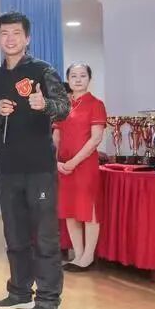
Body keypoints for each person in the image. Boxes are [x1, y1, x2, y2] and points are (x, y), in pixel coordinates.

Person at [0, 12, 70, 309]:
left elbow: (64, 108)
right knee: (14, 235)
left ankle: (48, 299)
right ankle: (20, 292)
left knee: (45, 236)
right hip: (7, 167)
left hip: (39, 168)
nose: (10, 39)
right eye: (4, 34)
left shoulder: (42, 70)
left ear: (27, 38)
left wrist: (44, 105)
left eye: (16, 33)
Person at [53, 63, 106, 272]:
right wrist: (55, 161)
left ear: (89, 79)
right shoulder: (63, 106)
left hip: (84, 166)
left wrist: (74, 162)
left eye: (82, 76)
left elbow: (96, 138)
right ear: (68, 79)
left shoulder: (96, 104)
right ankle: (78, 254)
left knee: (88, 210)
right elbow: (56, 135)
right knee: (70, 211)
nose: (78, 79)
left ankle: (88, 256)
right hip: (63, 166)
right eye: (73, 76)